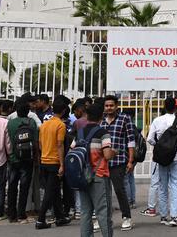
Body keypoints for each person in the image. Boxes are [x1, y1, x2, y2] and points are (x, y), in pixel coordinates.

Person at [147, 96, 177, 226]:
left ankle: (163, 216)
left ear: (164, 107)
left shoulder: (157, 120)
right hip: (176, 157)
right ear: (175, 108)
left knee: (162, 186)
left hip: (162, 158)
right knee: (175, 185)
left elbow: (150, 139)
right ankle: (174, 217)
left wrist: (159, 146)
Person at [76, 102, 116, 237]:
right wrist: (115, 152)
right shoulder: (103, 133)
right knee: (103, 212)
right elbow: (107, 155)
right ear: (101, 117)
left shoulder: (80, 133)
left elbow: (72, 151)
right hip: (99, 176)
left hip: (82, 177)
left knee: (85, 213)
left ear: (87, 116)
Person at [101, 95, 136, 231]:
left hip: (119, 161)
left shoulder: (124, 118)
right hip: (103, 161)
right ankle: (104, 219)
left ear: (116, 106)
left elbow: (131, 140)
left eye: (111, 105)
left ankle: (126, 217)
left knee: (119, 190)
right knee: (103, 192)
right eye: (106, 106)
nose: (109, 108)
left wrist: (130, 161)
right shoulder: (101, 120)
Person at [36, 100, 71, 229]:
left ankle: (60, 217)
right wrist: (62, 164)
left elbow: (40, 144)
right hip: (54, 161)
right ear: (63, 111)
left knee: (54, 190)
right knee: (50, 192)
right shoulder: (61, 125)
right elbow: (60, 145)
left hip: (44, 160)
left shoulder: (44, 125)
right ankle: (40, 219)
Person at [6, 99, 39, 223]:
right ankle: (21, 214)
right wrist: (36, 157)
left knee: (12, 186)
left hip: (14, 158)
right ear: (28, 111)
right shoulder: (31, 122)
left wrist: (10, 155)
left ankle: (11, 214)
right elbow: (35, 142)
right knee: (24, 187)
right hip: (28, 158)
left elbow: (8, 141)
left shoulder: (10, 123)